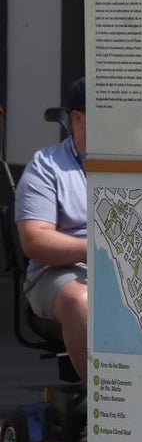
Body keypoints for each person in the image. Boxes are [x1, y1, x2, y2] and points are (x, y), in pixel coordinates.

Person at [16, 77, 88, 382]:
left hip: (126, 267)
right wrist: (96, 249)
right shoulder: (46, 166)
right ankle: (101, 398)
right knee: (80, 300)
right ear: (77, 119)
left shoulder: (138, 161)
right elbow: (35, 240)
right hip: (58, 271)